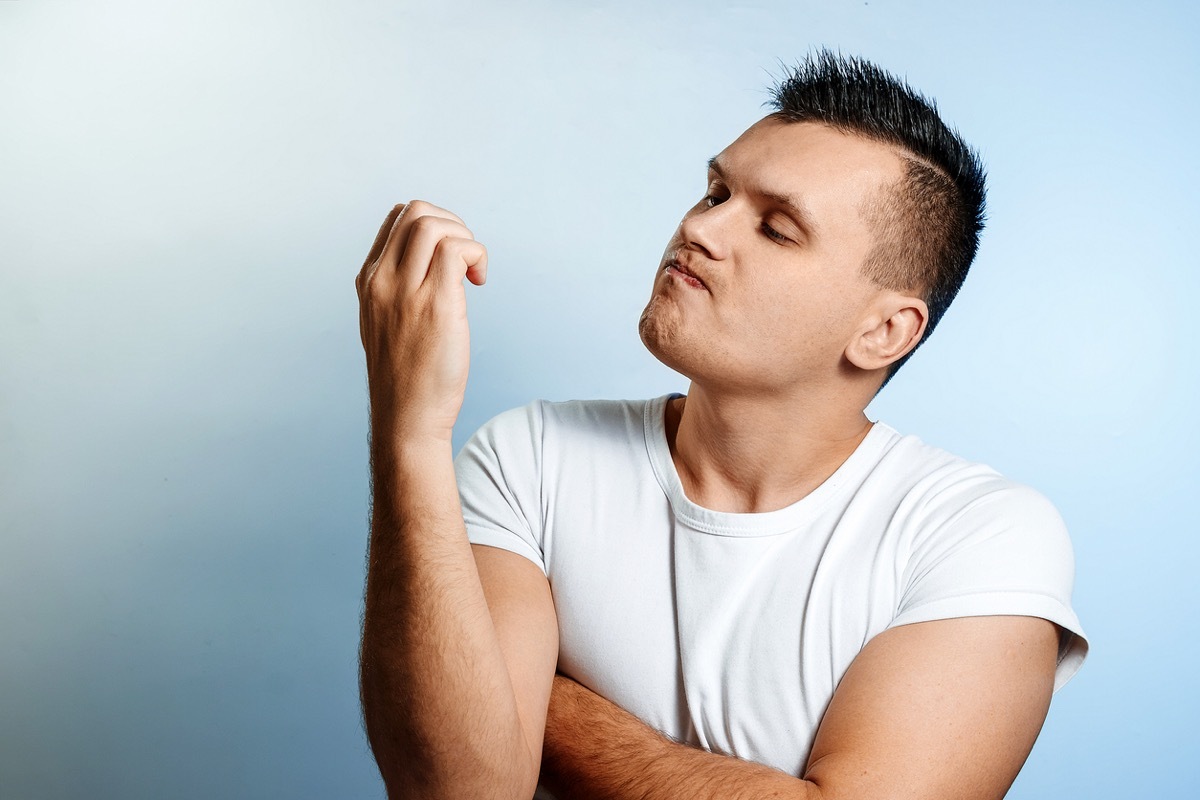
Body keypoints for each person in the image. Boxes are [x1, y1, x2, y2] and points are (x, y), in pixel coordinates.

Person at [355, 51, 1088, 800]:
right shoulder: (531, 458)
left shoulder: (978, 533)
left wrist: (538, 704)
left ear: (883, 332)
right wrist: (411, 430)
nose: (700, 228)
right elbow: (461, 789)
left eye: (776, 229)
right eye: (715, 192)